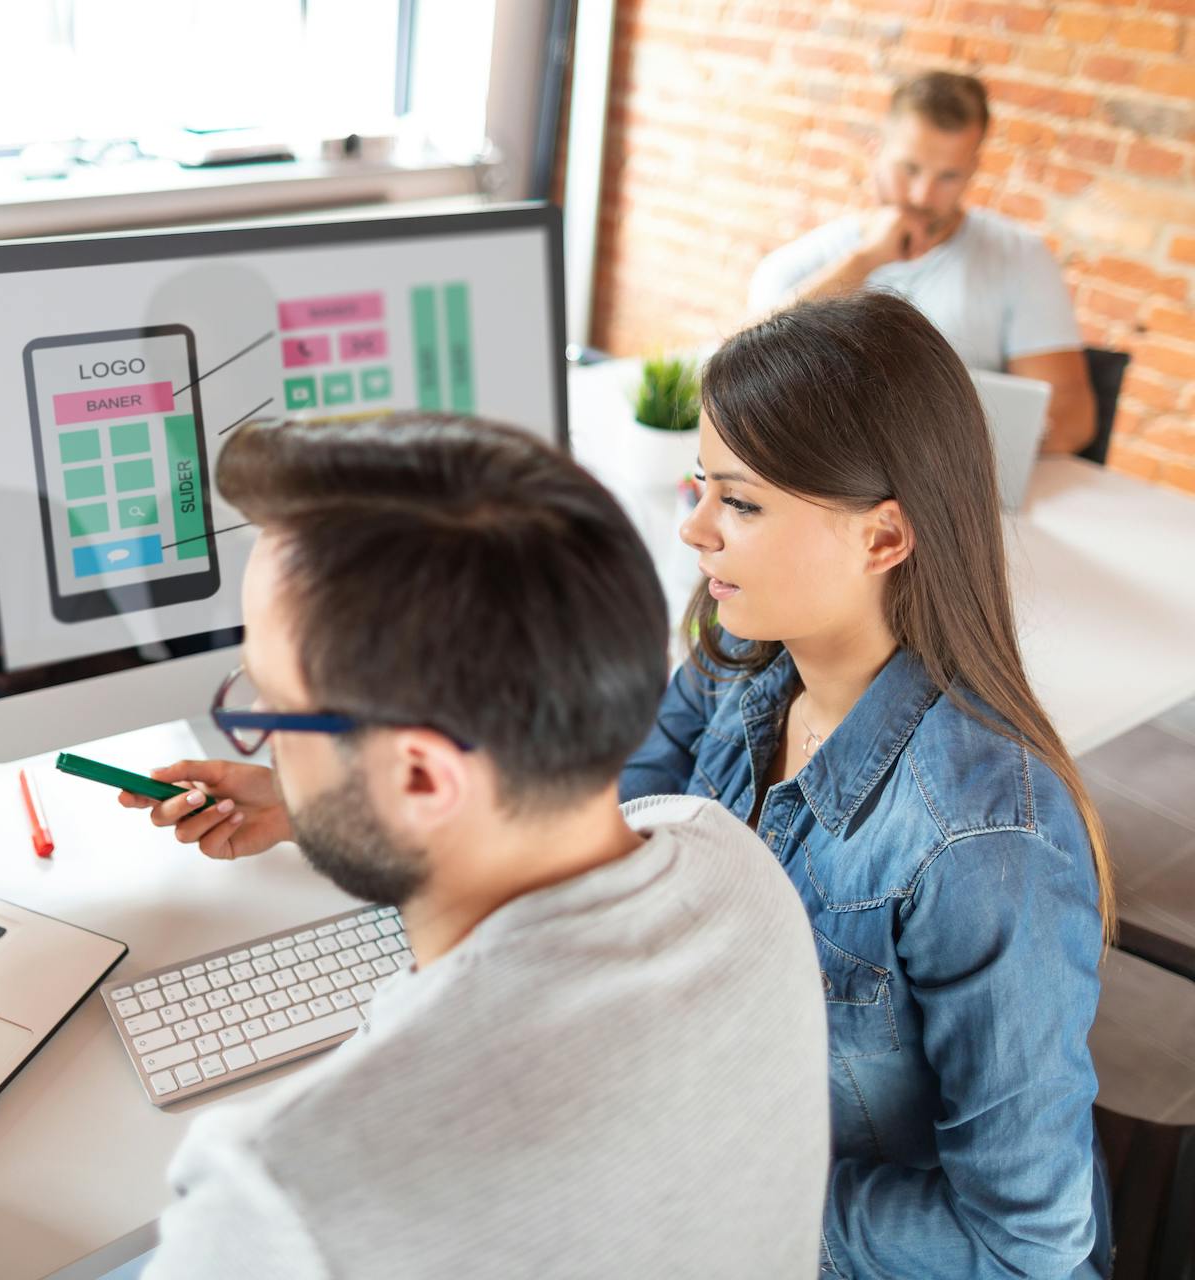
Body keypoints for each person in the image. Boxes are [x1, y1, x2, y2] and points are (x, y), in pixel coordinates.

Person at [0, 414, 833, 1277]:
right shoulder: (734, 866)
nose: (260, 742)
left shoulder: (290, 1191)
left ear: (424, 775)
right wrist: (331, 798)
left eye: (270, 710)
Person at [134, 295, 1114, 1277]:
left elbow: (1025, 1239)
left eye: (740, 500)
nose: (693, 529)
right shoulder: (746, 660)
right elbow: (568, 811)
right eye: (699, 485)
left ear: (883, 537)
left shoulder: (985, 840)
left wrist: (696, 1177)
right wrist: (316, 791)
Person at [749, 71, 1095, 455]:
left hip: (958, 489)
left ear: (973, 169)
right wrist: (866, 260)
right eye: (909, 169)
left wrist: (963, 465)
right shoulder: (799, 264)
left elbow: (1072, 418)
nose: (922, 195)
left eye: (948, 176)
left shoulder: (1020, 257)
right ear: (875, 149)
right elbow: (747, 365)